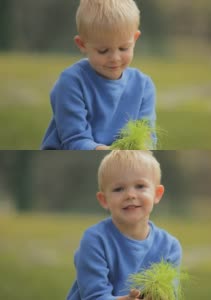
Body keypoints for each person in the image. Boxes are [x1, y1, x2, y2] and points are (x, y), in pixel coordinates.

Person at [41, 0, 156, 150]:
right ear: (82, 44)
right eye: (103, 50)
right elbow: (74, 139)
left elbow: (147, 136)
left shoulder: (144, 85)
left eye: (123, 48)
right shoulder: (71, 83)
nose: (115, 58)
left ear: (134, 39)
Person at [67, 151, 181, 299]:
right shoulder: (95, 240)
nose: (130, 195)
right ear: (104, 200)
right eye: (118, 189)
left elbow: (170, 294)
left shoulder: (170, 246)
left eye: (140, 186)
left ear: (157, 194)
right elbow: (94, 296)